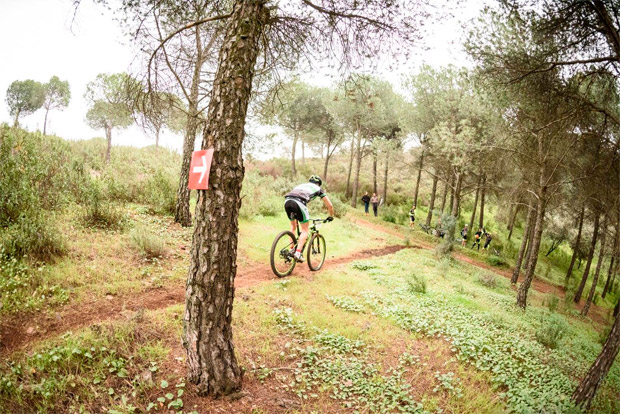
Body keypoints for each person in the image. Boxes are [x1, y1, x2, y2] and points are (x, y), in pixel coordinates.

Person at [284, 175, 335, 262]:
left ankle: (291, 250)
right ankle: (298, 253)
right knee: (305, 230)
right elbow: (329, 205)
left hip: (287, 201)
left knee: (293, 227)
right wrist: (331, 216)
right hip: (299, 202)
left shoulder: (302, 185)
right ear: (319, 184)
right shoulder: (318, 189)